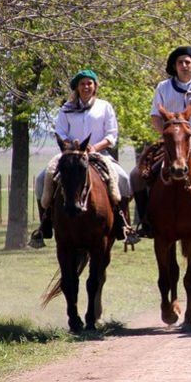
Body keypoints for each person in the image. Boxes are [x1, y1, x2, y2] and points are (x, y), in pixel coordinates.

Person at [29, 69, 136, 248]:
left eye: (89, 83)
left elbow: (111, 135)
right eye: (82, 84)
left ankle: (123, 225)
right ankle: (44, 226)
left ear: (95, 86)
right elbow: (60, 131)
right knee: (42, 179)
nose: (86, 87)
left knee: (123, 178)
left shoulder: (105, 106)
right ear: (77, 88)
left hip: (98, 153)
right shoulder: (66, 108)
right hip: (70, 154)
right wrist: (71, 146)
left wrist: (95, 147)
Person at [130, 46, 191, 237]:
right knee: (136, 175)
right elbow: (155, 117)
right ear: (174, 66)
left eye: (188, 62)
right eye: (180, 62)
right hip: (169, 141)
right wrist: (167, 135)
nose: (184, 65)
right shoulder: (162, 87)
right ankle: (145, 221)